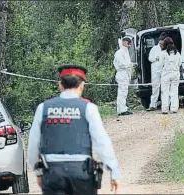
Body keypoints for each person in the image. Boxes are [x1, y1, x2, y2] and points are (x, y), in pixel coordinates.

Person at [27, 65, 120, 195]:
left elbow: (33, 144)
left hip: (52, 173)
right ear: (82, 85)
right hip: (81, 173)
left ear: (60, 85)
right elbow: (102, 142)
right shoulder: (88, 108)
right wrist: (113, 171)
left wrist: (37, 172)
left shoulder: (43, 108)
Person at [113, 36, 134, 116]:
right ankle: (121, 110)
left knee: (124, 92)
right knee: (122, 92)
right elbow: (122, 64)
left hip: (125, 74)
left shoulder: (125, 52)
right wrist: (130, 65)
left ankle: (123, 108)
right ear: (124, 42)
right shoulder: (119, 52)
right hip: (122, 74)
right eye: (128, 43)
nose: (129, 45)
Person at [160, 37, 181, 114]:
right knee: (174, 91)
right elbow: (179, 63)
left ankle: (165, 109)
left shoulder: (163, 53)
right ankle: (174, 108)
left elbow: (160, 64)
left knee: (165, 92)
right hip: (175, 73)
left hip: (166, 74)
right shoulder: (177, 53)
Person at [146, 32, 167, 111]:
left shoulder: (166, 49)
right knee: (155, 87)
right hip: (155, 71)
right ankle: (153, 105)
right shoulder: (154, 49)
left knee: (165, 88)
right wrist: (156, 58)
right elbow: (150, 58)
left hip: (164, 70)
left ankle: (165, 104)